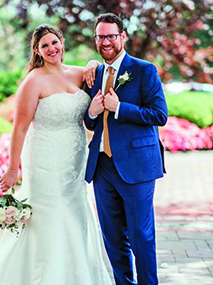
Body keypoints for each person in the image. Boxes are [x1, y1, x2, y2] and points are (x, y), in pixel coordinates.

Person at [0, 24, 113, 285]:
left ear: (62, 42)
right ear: (37, 51)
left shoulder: (79, 74)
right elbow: (19, 129)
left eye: (54, 42)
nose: (51, 48)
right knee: (48, 216)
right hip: (43, 159)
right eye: (45, 46)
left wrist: (91, 62)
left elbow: (103, 74)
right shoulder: (33, 81)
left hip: (75, 161)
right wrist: (12, 169)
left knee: (75, 213)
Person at [84, 13, 168, 285]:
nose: (105, 41)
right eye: (100, 36)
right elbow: (89, 119)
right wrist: (93, 113)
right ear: (95, 40)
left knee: (141, 236)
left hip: (136, 166)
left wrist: (120, 108)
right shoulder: (94, 74)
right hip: (102, 167)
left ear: (122, 37)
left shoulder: (145, 70)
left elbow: (159, 115)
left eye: (111, 36)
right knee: (112, 236)